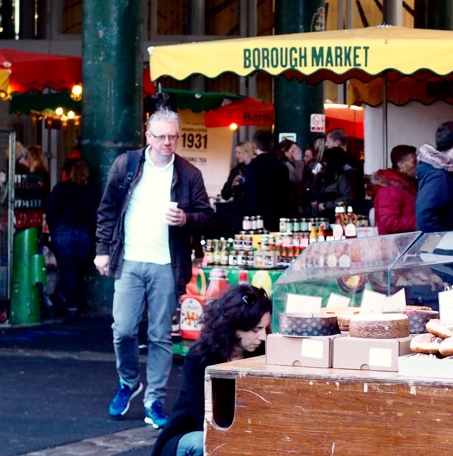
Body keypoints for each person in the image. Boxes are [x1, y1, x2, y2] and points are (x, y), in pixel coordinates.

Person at [95, 107, 215, 430]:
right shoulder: (127, 165)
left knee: (160, 335)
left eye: (172, 137)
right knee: (123, 329)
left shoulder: (188, 173)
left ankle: (154, 399)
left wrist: (186, 219)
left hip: (167, 263)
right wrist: (102, 251)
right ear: (147, 136)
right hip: (130, 259)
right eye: (160, 136)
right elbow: (107, 210)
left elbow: (207, 216)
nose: (167, 142)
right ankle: (129, 381)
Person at [148, 283, 270, 456]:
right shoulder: (200, 356)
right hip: (190, 433)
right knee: (203, 447)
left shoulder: (261, 353)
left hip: (239, 430)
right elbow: (200, 413)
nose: (262, 337)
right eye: (255, 330)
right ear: (235, 328)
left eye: (265, 329)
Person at [45, 157, 98, 315]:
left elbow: (51, 212)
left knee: (67, 269)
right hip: (84, 234)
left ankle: (70, 304)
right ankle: (64, 299)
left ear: (67, 173)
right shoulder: (92, 190)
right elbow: (95, 216)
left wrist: (54, 229)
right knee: (76, 271)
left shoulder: (61, 188)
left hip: (63, 232)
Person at [415, 120, 453, 232]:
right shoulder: (439, 176)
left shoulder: (439, 172)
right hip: (448, 242)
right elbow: (425, 215)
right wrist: (447, 240)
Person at [242, 129, 291, 231]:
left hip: (259, 219)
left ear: (255, 146)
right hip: (280, 217)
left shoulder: (253, 167)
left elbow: (252, 195)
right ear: (272, 144)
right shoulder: (281, 167)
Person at [309, 128, 362, 216]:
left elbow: (349, 195)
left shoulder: (347, 165)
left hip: (340, 212)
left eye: (328, 141)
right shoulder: (351, 161)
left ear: (336, 143)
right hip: (333, 208)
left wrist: (325, 204)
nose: (325, 144)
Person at [370, 145, 418, 235]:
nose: (418, 166)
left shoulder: (409, 184)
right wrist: (421, 220)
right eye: (414, 162)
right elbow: (390, 223)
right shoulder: (389, 189)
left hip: (406, 239)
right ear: (401, 165)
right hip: (395, 242)